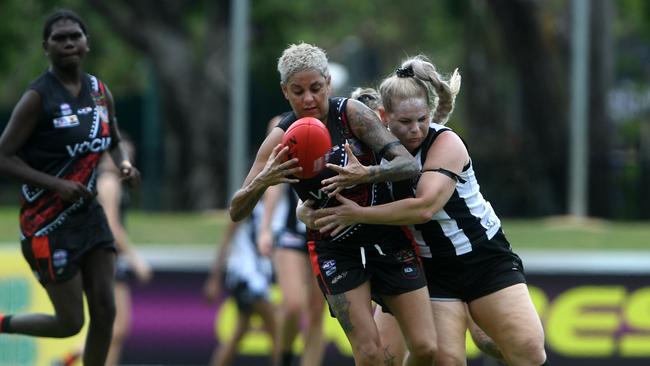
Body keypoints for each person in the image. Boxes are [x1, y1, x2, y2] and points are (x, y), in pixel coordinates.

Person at [310, 56, 549, 366]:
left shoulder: (445, 142)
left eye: (422, 119)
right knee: (443, 359)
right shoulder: (371, 154)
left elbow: (423, 208)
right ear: (383, 117)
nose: (416, 130)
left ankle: (480, 325)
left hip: (484, 258)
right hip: (431, 270)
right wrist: (307, 212)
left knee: (529, 350)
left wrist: (357, 213)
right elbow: (318, 200)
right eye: (406, 123)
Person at [229, 43, 436, 366]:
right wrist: (263, 180)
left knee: (426, 348)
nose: (308, 98)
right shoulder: (280, 138)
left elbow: (408, 165)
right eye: (298, 91)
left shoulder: (352, 115)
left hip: (386, 236)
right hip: (335, 248)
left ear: (328, 82)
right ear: (285, 92)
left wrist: (365, 174)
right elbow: (236, 210)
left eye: (315, 88)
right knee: (369, 354)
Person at [0, 9, 139, 366]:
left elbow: (113, 136)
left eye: (74, 36)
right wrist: (56, 185)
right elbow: (4, 156)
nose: (68, 43)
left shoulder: (98, 91)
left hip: (90, 217)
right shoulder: (38, 97)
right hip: (46, 224)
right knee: (70, 323)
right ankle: (3, 323)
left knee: (106, 312)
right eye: (59, 38)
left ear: (86, 43)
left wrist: (123, 162)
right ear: (46, 47)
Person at [348, 86, 506, 364]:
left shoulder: (417, 147)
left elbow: (432, 123)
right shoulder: (356, 157)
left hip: (453, 255)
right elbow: (312, 204)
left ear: (382, 120)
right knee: (396, 356)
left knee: (487, 340)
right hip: (403, 264)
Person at [257, 115, 325, 366]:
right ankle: (284, 355)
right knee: (294, 303)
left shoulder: (330, 123)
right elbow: (272, 184)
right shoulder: (280, 125)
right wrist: (264, 229)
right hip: (289, 232)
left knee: (317, 311)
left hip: (321, 232)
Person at [204, 202, 277, 366]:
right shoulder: (247, 197)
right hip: (245, 276)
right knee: (276, 327)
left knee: (239, 332)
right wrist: (214, 278)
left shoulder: (272, 205)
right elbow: (226, 238)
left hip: (257, 278)